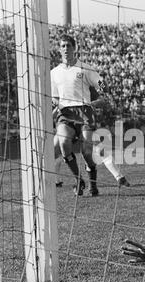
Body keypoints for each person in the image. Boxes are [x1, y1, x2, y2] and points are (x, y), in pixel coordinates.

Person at [51, 34, 105, 196]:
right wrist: (56, 103)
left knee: (87, 152)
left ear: (75, 48)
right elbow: (55, 96)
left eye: (68, 45)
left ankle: (93, 184)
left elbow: (101, 85)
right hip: (65, 113)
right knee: (63, 143)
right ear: (59, 49)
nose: (66, 48)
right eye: (63, 46)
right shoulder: (54, 72)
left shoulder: (85, 68)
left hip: (84, 112)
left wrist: (99, 96)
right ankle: (78, 180)